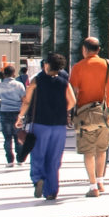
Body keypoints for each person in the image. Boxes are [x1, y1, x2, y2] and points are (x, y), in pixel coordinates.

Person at [68, 37, 109, 196]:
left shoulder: (78, 67)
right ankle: (100, 182)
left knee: (88, 152)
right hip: (105, 114)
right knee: (101, 150)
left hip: (84, 115)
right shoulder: (108, 66)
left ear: (84, 49)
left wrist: (69, 113)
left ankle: (93, 186)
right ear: (98, 50)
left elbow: (73, 93)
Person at [15, 54, 71, 201]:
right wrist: (61, 110)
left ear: (46, 65)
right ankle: (51, 191)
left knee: (38, 155)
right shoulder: (64, 82)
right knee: (54, 159)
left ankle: (38, 178)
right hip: (59, 125)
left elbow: (27, 101)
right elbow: (72, 101)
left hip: (40, 123)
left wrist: (20, 117)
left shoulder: (37, 80)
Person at [0, 67, 26, 164]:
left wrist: (2, 101)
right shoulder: (19, 85)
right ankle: (20, 158)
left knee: (7, 138)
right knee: (18, 136)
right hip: (17, 113)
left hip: (4, 112)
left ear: (4, 74)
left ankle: (10, 159)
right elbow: (24, 100)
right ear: (14, 74)